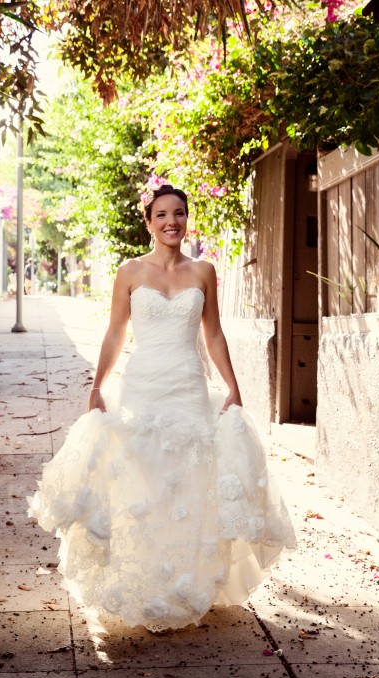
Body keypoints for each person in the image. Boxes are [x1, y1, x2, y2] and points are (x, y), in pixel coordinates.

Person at [28, 183, 296, 633]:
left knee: (189, 485)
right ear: (149, 222)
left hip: (189, 388)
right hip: (144, 388)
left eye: (180, 213)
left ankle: (185, 584)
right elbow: (115, 333)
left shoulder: (204, 272)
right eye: (162, 215)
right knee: (142, 483)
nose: (172, 222)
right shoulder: (130, 273)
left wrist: (233, 384)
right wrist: (97, 386)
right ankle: (141, 583)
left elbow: (213, 335)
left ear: (187, 219)